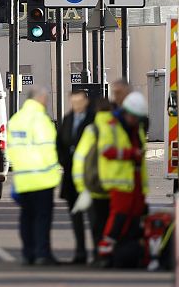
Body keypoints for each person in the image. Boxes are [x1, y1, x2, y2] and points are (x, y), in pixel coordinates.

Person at [7, 87, 62, 266]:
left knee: (27, 217)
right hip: (42, 178)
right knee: (42, 219)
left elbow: (10, 150)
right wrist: (54, 170)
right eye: (45, 99)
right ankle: (42, 254)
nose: (46, 102)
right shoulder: (41, 120)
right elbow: (49, 149)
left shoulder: (16, 119)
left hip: (23, 178)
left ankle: (28, 253)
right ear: (39, 99)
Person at [97, 92, 150, 268]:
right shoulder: (112, 126)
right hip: (120, 180)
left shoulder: (136, 127)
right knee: (119, 217)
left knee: (135, 217)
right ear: (127, 113)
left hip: (135, 181)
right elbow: (106, 150)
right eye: (134, 117)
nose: (136, 121)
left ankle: (128, 252)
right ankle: (105, 252)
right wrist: (130, 154)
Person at [71, 98, 114, 263]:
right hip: (114, 186)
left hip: (95, 186)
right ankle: (110, 255)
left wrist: (81, 186)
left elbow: (79, 158)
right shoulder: (117, 128)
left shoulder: (92, 130)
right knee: (112, 225)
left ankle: (98, 255)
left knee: (97, 225)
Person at [57, 90, 95, 264]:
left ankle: (98, 252)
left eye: (79, 101)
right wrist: (64, 160)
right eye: (73, 102)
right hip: (71, 177)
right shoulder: (68, 119)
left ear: (86, 101)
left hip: (90, 177)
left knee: (94, 218)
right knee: (76, 217)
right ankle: (80, 253)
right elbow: (60, 143)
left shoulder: (93, 119)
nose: (76, 105)